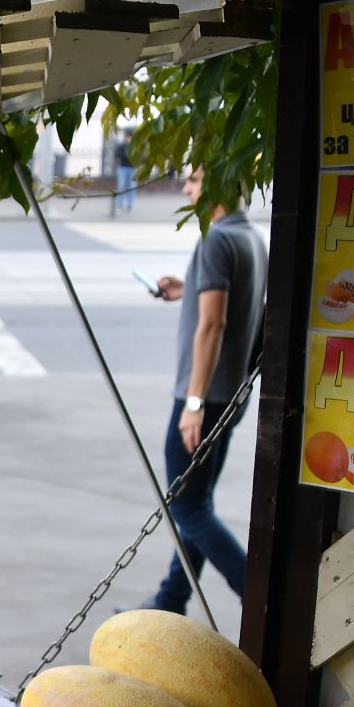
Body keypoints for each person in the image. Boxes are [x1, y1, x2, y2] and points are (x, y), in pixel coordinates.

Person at [138, 166, 267, 614]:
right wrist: (186, 288)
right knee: (197, 504)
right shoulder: (249, 237)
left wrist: (192, 404)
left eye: (193, 180)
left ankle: (258, 594)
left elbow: (213, 323)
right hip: (230, 395)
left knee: (188, 508)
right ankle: (171, 598)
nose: (186, 188)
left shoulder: (214, 240)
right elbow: (232, 303)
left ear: (216, 185)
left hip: (204, 398)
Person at [112, 126, 136, 212]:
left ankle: (130, 204)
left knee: (132, 186)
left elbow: (137, 156)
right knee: (121, 186)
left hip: (132, 169)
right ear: (126, 137)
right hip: (122, 168)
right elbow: (117, 155)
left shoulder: (135, 146)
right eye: (129, 137)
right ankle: (119, 204)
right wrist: (126, 155)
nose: (130, 138)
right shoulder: (122, 146)